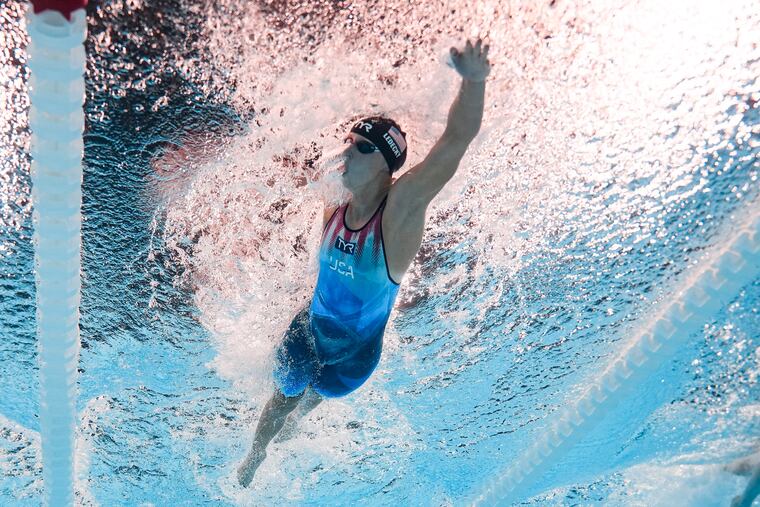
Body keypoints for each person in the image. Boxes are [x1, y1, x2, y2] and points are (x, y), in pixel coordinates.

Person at [237, 38, 491, 487]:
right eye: (348, 141)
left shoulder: (398, 214)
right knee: (286, 386)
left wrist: (473, 81)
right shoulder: (335, 200)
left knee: (314, 396)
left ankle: (291, 432)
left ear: (384, 166)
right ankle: (253, 462)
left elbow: (454, 144)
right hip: (310, 327)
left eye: (361, 147)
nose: (346, 152)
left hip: (355, 356)